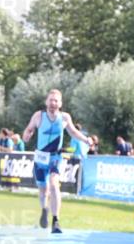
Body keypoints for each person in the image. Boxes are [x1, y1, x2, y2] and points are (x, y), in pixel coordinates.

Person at [21, 89, 90, 234]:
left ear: (60, 103)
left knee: (54, 184)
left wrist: (86, 140)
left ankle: (56, 221)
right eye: (51, 100)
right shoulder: (39, 116)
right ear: (46, 102)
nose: (53, 103)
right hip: (40, 158)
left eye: (56, 100)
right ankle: (44, 209)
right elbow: (28, 130)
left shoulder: (64, 118)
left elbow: (73, 132)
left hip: (55, 157)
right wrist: (26, 136)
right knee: (43, 189)